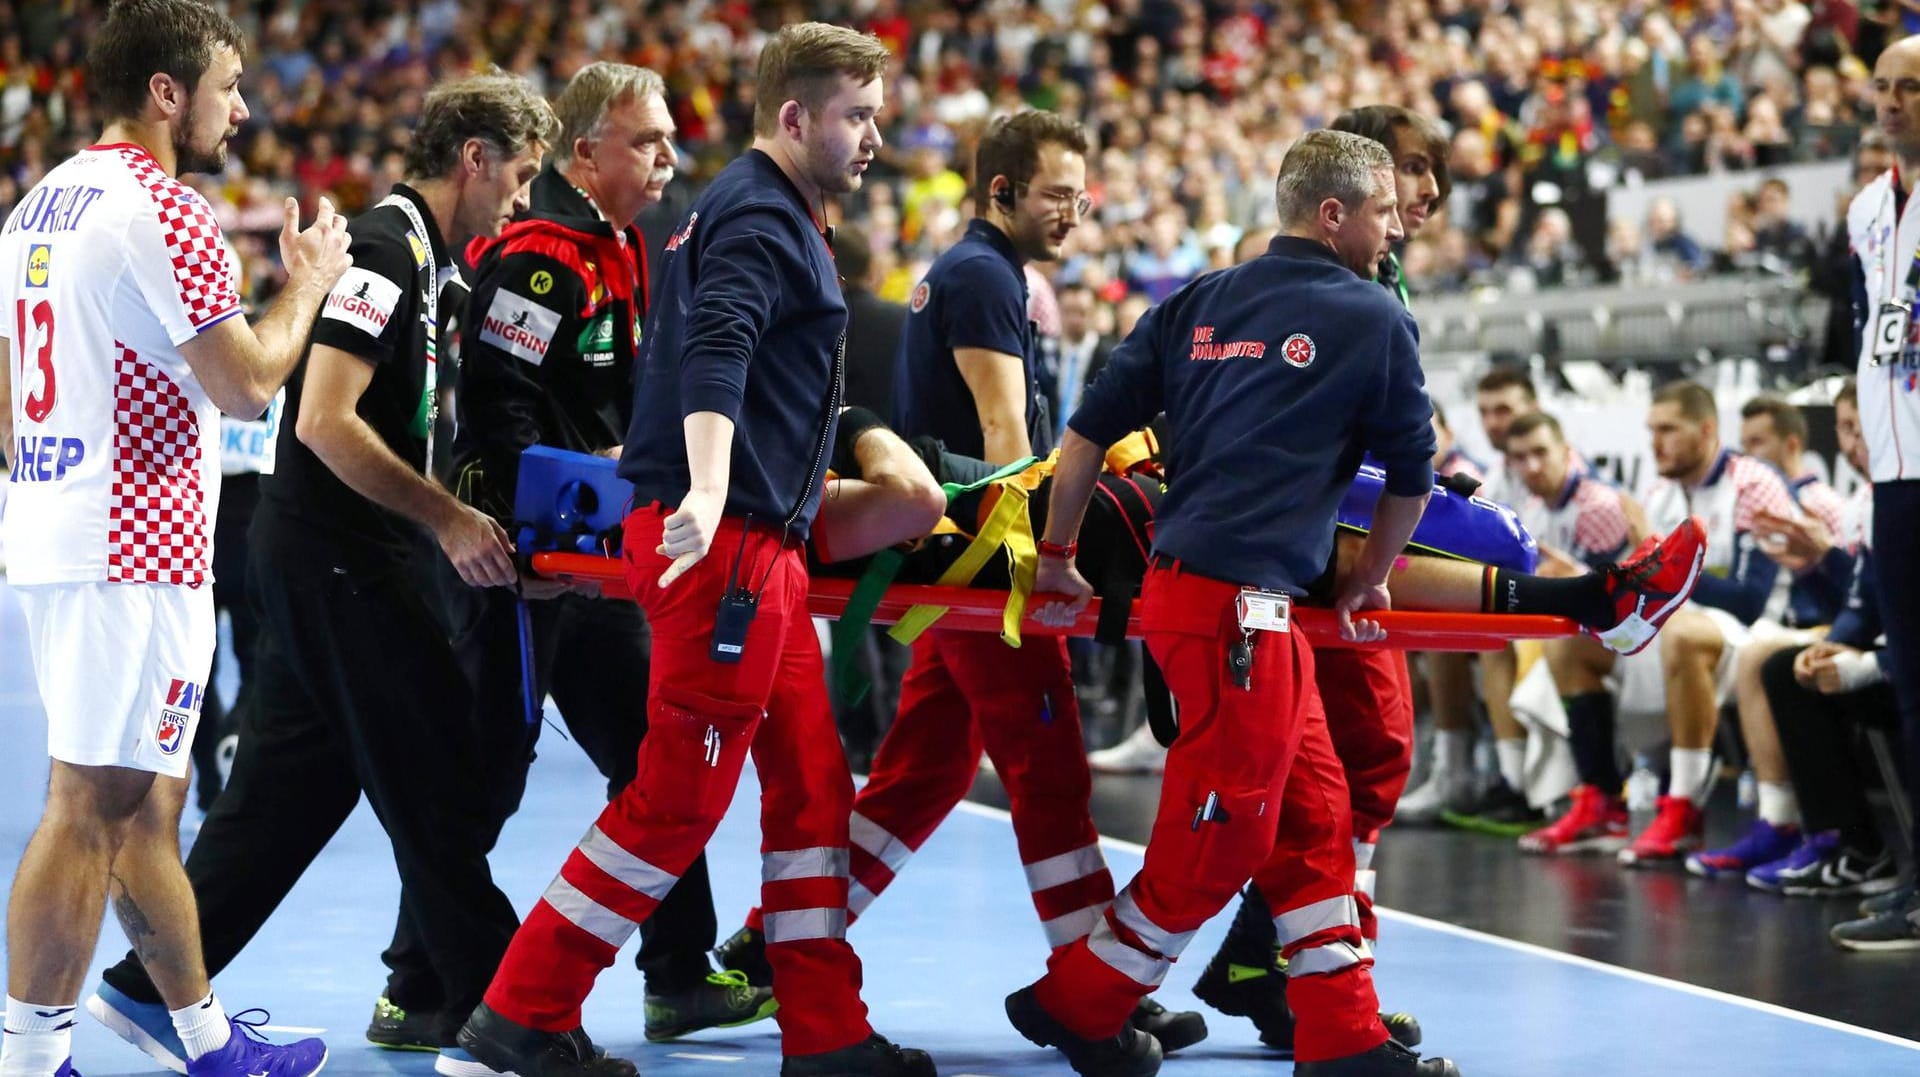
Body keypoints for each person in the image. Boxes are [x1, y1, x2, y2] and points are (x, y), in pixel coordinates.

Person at [453, 24, 935, 1077]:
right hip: (725, 551)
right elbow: (719, 347)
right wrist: (710, 489)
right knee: (674, 801)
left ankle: (825, 1029)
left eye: (877, 114)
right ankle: (522, 1010)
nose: (874, 136)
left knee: (813, 785)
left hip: (765, 549)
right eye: (856, 116)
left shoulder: (759, 216)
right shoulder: (761, 215)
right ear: (796, 118)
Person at [87, 72, 555, 1070]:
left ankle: (144, 989)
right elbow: (322, 421)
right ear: (473, 158)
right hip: (346, 558)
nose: (520, 202)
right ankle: (504, 1020)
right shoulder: (388, 249)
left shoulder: (429, 261)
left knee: (288, 796)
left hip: (324, 557)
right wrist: (450, 521)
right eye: (517, 177)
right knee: (434, 782)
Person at [716, 109, 1207, 1053]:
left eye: (1082, 193)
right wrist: (1048, 563)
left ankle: (770, 946)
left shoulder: (972, 272)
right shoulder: (985, 278)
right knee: (1051, 774)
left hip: (954, 566)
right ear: (1002, 191)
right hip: (989, 574)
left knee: (924, 774)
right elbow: (1006, 441)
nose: (1076, 211)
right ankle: (1094, 987)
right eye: (1058, 193)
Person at [1006, 128, 1463, 1077]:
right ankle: (1075, 999)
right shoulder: (1375, 314)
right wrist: (1373, 575)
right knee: (1222, 836)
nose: (1392, 233)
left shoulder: (1199, 298)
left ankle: (1342, 1031)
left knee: (1314, 820)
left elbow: (1084, 436)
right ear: (1333, 214)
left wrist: (1055, 553)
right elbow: (1413, 479)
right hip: (1244, 618)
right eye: (1382, 211)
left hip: (1205, 605)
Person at [361, 63, 773, 1063]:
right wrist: (516, 543)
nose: (670, 157)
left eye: (672, 139)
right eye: (647, 140)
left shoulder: (624, 247)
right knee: (487, 771)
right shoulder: (544, 259)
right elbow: (493, 418)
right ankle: (414, 988)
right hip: (531, 559)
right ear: (585, 153)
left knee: (654, 749)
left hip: (599, 558)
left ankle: (678, 975)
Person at [0, 2, 350, 1076]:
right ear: (168, 91)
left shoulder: (37, 205)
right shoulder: (163, 207)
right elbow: (247, 379)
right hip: (130, 546)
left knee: (149, 804)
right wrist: (311, 285)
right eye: (227, 86)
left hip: (63, 524)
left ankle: (198, 1037)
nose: (241, 109)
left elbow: (15, 392)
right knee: (87, 808)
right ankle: (27, 1057)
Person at [1190, 103, 1446, 1054]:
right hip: (1304, 567)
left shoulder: (1377, 284)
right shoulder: (1352, 294)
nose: (1418, 192)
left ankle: (1283, 963)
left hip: (1289, 563)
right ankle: (1309, 978)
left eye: (1425, 175)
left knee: (1340, 778)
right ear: (1339, 201)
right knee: (1340, 773)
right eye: (1403, 173)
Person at [1524, 382, 1799, 864]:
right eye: (1652, 430)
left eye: (1669, 429)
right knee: (1569, 641)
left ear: (1707, 430)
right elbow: (1642, 590)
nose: (1657, 443)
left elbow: (1752, 601)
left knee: (1682, 634)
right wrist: (1585, 580)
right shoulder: (1658, 493)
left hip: (1757, 633)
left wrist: (1665, 562)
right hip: (1678, 628)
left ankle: (1685, 810)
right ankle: (1602, 800)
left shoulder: (1754, 484)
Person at [1829, 32, 1920, 947]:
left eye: (1912, 89)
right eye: (1884, 87)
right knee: (1913, 684)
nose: (1892, 103)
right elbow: (1872, 336)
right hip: (1895, 478)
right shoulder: (1866, 212)